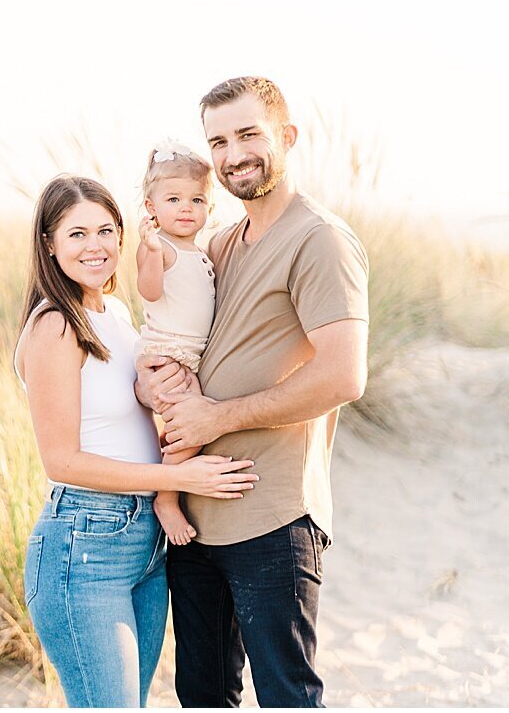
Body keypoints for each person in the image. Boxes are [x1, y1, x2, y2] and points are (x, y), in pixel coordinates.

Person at [136, 77, 369, 708]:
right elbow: (174, 327)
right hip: (196, 519)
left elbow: (344, 376)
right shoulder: (217, 245)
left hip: (271, 515)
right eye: (218, 140)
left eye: (248, 134)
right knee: (204, 697)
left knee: (287, 697)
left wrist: (216, 417)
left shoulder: (318, 238)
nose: (233, 153)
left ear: (287, 137)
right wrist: (150, 377)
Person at [14, 174, 260, 708]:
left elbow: (126, 412)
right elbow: (63, 461)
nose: (95, 246)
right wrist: (177, 479)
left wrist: (151, 393)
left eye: (105, 230)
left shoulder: (118, 315)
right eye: (76, 234)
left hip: (146, 544)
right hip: (85, 543)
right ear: (48, 244)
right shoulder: (55, 326)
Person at [134, 139, 218, 547]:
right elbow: (149, 292)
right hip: (168, 358)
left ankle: (169, 477)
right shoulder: (161, 248)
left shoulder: (199, 251)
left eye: (197, 199)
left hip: (187, 359)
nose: (186, 208)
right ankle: (166, 498)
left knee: (184, 429)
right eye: (174, 199)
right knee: (194, 428)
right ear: (152, 209)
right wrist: (149, 251)